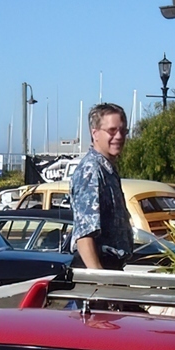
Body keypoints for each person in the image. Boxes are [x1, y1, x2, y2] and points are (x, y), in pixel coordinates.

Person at [69, 102, 133, 270]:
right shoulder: (91, 171)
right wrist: (100, 280)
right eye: (112, 130)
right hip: (98, 269)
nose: (119, 136)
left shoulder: (108, 170)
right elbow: (84, 234)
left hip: (112, 267)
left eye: (123, 130)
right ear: (95, 133)